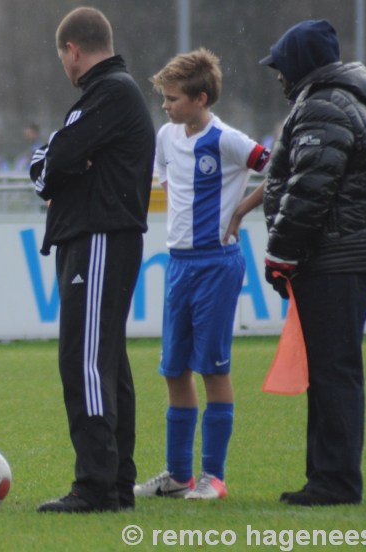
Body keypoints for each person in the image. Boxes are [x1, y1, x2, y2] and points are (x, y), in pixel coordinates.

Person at [259, 19, 366, 506]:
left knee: (333, 370)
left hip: (336, 256)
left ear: (299, 65)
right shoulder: (340, 102)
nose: (278, 77)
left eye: (281, 67)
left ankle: (335, 482)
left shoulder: (322, 106)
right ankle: (326, 476)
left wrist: (281, 253)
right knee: (331, 368)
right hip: (346, 252)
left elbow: (311, 188)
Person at [31, 6, 155, 513]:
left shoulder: (110, 91)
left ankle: (96, 485)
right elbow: (54, 164)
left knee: (83, 360)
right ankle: (117, 483)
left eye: (62, 57)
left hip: (99, 236)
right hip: (98, 236)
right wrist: (56, 162)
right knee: (104, 361)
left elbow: (50, 163)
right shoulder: (109, 94)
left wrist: (55, 162)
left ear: (72, 51)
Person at [133, 49, 270, 502]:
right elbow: (165, 185)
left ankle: (214, 477)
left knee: (212, 368)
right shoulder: (166, 136)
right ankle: (178, 475)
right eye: (164, 99)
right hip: (178, 264)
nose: (166, 106)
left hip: (217, 264)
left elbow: (280, 169)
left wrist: (242, 210)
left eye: (173, 99)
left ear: (201, 98)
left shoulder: (228, 139)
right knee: (173, 369)